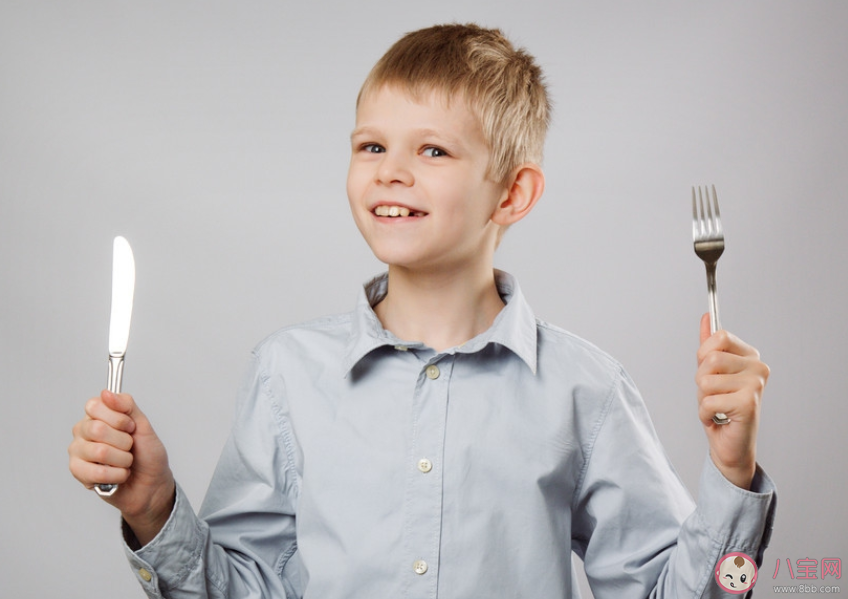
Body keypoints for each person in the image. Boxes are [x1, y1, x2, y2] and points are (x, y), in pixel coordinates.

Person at [69, 23, 775, 598]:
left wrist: (732, 476)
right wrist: (155, 509)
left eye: (432, 149)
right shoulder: (285, 373)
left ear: (512, 195)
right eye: (371, 146)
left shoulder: (587, 390)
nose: (390, 171)